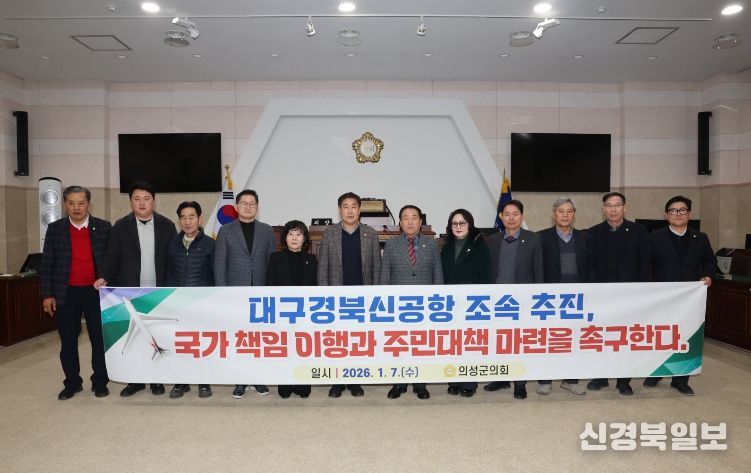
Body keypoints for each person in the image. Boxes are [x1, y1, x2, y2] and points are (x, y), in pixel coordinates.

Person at [95, 180, 177, 397]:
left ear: (153, 201)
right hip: (129, 292)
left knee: (156, 336)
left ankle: (156, 380)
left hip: (157, 292)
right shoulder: (121, 226)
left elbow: (172, 258)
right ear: (131, 201)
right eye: (137, 199)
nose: (142, 203)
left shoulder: (167, 225)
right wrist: (103, 276)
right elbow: (112, 255)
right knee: (132, 338)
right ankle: (135, 381)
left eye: (146, 198)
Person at [41, 185, 111, 400]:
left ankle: (100, 381)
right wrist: (47, 295)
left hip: (96, 292)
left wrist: (109, 281)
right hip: (66, 293)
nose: (76, 207)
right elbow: (47, 264)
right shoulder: (55, 229)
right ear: (65, 205)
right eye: (71, 203)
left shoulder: (104, 227)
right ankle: (72, 382)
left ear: (88, 204)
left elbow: (111, 260)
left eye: (81, 203)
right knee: (68, 341)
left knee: (99, 339)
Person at [643, 196, 715, 396]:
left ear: (689, 214)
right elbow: (646, 265)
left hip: (690, 299)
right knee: (660, 335)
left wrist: (708, 275)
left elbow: (710, 261)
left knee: (686, 337)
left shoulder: (701, 238)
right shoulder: (653, 238)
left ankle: (681, 380)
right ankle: (656, 373)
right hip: (662, 298)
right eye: (673, 211)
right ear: (666, 215)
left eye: (682, 210)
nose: (678, 214)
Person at [317, 192, 381, 398]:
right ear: (340, 210)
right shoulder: (330, 233)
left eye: (354, 206)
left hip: (362, 298)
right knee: (337, 339)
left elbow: (376, 268)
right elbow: (323, 267)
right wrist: (324, 296)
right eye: (346, 206)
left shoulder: (370, 234)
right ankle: (337, 381)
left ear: (359, 209)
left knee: (356, 340)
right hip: (336, 297)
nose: (350, 211)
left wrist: (375, 297)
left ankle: (354, 380)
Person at [586, 192, 650, 396]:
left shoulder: (639, 231)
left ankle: (624, 380)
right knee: (601, 337)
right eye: (609, 205)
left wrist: (642, 291)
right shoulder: (593, 233)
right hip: (602, 296)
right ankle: (601, 377)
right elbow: (590, 265)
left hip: (629, 296)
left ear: (625, 208)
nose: (613, 209)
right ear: (603, 208)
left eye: (617, 205)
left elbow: (645, 263)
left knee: (625, 338)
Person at [214, 189, 275, 399]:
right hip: (235, 294)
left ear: (257, 207)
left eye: (252, 203)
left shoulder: (266, 230)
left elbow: (272, 263)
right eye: (244, 203)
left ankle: (258, 378)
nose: (248, 207)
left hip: (260, 293)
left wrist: (271, 292)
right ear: (236, 207)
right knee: (239, 337)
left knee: (258, 338)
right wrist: (222, 293)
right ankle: (240, 380)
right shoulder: (226, 231)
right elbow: (219, 264)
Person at [380, 204, 443, 400]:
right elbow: (385, 276)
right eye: (405, 218)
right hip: (399, 306)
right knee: (399, 345)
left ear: (420, 221)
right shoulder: (391, 245)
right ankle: (399, 383)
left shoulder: (431, 244)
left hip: (425, 305)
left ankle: (420, 384)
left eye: (414, 217)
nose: (410, 221)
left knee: (421, 344)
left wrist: (438, 302)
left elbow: (438, 275)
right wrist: (385, 303)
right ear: (400, 223)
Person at [484, 199, 543, 400]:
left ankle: (520, 383)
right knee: (499, 341)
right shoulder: (492, 240)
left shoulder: (533, 239)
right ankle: (501, 378)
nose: (511, 218)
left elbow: (539, 271)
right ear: (501, 217)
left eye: (515, 214)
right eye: (507, 214)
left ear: (522, 216)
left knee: (519, 342)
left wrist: (536, 299)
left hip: (523, 301)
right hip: (498, 302)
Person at [537, 197, 595, 396]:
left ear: (574, 214)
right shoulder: (541, 237)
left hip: (577, 298)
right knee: (548, 339)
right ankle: (545, 380)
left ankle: (571, 380)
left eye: (569, 211)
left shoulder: (585, 238)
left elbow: (591, 267)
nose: (565, 215)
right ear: (554, 214)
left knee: (574, 340)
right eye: (561, 211)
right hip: (550, 299)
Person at [166, 201, 215, 399]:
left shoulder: (210, 244)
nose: (187, 221)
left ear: (200, 219)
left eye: (191, 217)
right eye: (183, 217)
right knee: (181, 343)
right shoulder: (172, 243)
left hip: (202, 303)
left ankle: (204, 382)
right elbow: (168, 272)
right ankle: (181, 382)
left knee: (201, 342)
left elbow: (214, 274)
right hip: (178, 302)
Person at [440, 209, 491, 397]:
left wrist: (482, 300)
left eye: (462, 223)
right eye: (454, 223)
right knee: (453, 343)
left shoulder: (480, 246)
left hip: (473, 303)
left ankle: (469, 382)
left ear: (470, 225)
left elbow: (487, 276)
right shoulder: (446, 246)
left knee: (470, 343)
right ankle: (454, 380)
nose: (458, 227)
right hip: (451, 304)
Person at [267, 220, 317, 399]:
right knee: (285, 349)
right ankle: (285, 383)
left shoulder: (312, 260)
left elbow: (315, 287)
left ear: (304, 239)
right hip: (283, 312)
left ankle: (303, 384)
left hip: (305, 313)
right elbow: (270, 285)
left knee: (303, 349)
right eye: (290, 234)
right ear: (285, 238)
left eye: (298, 234)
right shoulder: (275, 258)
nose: (294, 238)